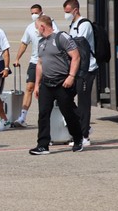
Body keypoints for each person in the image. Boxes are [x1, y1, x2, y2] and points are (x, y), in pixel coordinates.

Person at [29, 15, 83, 154]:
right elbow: (40, 64)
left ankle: (78, 139)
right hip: (47, 84)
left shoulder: (61, 38)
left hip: (62, 83)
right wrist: (37, 85)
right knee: (43, 114)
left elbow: (76, 56)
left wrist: (71, 76)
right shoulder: (41, 42)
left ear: (42, 26)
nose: (36, 30)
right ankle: (43, 145)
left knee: (68, 113)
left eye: (37, 27)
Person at [12, 4, 59, 127]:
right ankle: (22, 117)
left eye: (36, 12)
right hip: (34, 62)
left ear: (41, 12)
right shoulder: (29, 28)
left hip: (48, 62)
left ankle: (57, 116)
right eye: (32, 13)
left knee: (51, 89)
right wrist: (17, 58)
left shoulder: (51, 25)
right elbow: (24, 43)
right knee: (29, 87)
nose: (34, 15)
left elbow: (57, 39)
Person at [65, 0, 96, 146]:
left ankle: (84, 136)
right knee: (64, 97)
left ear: (75, 10)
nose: (66, 14)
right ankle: (85, 126)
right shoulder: (73, 24)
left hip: (87, 69)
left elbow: (78, 46)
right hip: (77, 69)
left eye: (68, 11)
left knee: (83, 102)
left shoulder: (84, 25)